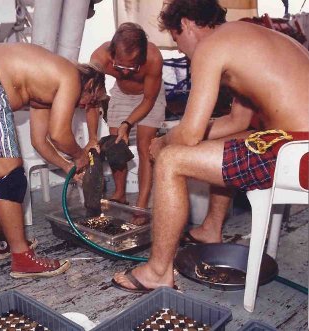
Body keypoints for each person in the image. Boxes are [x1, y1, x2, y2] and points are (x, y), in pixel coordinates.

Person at [112, 0, 309, 292]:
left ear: (188, 24)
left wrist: (162, 142)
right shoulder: (247, 36)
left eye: (177, 38)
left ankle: (157, 272)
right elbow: (237, 121)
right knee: (225, 142)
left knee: (171, 161)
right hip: (295, 143)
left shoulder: (212, 46)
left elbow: (190, 134)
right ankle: (210, 228)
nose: (179, 49)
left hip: (297, 152)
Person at [0, 43, 106, 276]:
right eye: (91, 100)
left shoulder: (45, 85)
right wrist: (79, 155)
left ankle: (3, 244)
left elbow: (40, 140)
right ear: (91, 84)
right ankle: (22, 259)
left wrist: (68, 166)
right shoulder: (71, 77)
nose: (85, 106)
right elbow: (60, 135)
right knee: (11, 180)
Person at [89, 22, 166, 210]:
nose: (124, 72)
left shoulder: (154, 58)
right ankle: (120, 194)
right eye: (119, 66)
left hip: (150, 95)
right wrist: (92, 138)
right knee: (115, 144)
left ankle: (141, 206)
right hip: (121, 94)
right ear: (112, 53)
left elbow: (148, 100)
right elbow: (91, 100)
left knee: (145, 147)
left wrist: (127, 123)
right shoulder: (99, 57)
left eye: (131, 68)